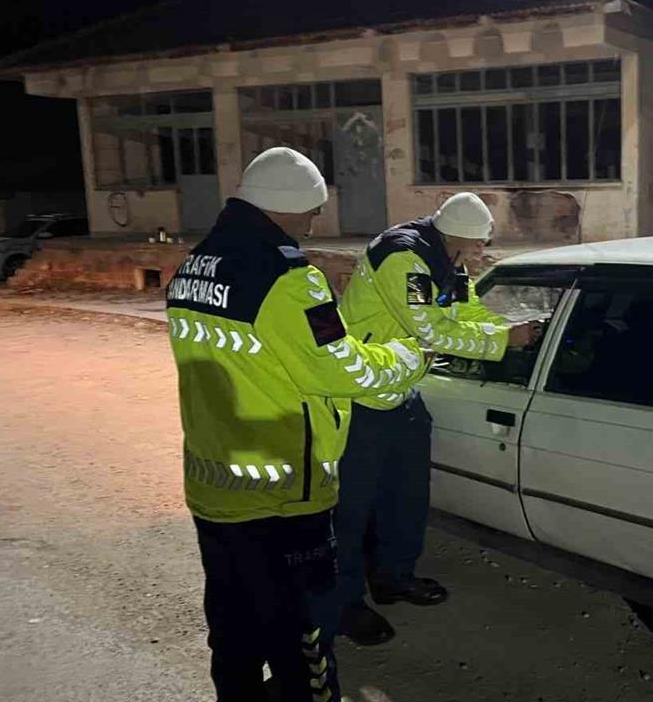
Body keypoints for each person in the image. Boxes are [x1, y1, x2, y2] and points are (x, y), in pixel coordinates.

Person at [167, 147, 429, 702]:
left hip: (216, 488)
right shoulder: (289, 278)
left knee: (234, 630)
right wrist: (411, 355)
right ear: (293, 208)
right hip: (284, 493)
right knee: (304, 639)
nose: (313, 223)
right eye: (313, 212)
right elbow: (341, 368)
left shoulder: (195, 265)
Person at [333, 192, 541, 645]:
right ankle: (344, 604)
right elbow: (430, 329)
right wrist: (503, 342)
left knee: (406, 496)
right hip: (361, 395)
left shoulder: (446, 257)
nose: (482, 254)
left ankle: (394, 578)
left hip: (401, 391)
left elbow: (463, 309)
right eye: (479, 245)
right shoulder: (404, 259)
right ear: (460, 237)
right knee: (350, 511)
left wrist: (506, 330)